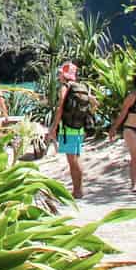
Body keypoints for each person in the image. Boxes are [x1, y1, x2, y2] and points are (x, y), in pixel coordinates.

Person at [49, 61, 86, 199]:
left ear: (64, 75)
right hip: (79, 128)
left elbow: (60, 108)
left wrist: (53, 128)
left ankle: (77, 191)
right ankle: (79, 189)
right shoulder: (81, 87)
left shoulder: (65, 87)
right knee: (77, 158)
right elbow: (95, 103)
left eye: (60, 73)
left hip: (67, 129)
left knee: (72, 161)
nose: (59, 76)